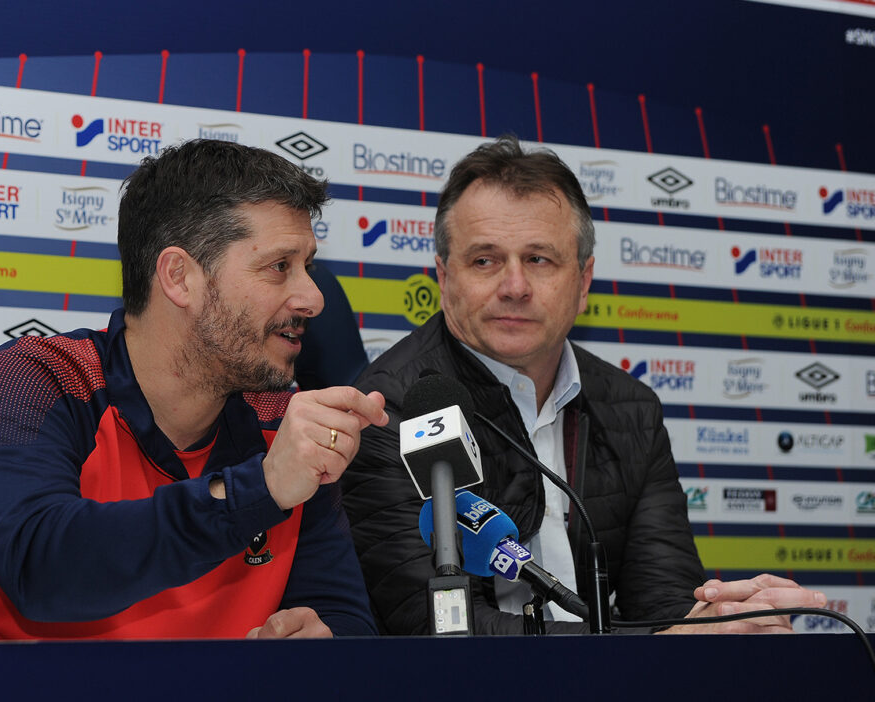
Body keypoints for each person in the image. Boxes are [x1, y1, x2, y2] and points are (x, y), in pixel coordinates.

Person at [0, 139, 387, 641]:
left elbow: (342, 616)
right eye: (280, 266)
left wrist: (325, 642)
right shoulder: (29, 385)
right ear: (179, 277)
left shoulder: (284, 422)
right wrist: (261, 490)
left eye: (309, 266)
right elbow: (42, 567)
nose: (314, 298)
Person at [341, 136, 825, 635]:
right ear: (444, 276)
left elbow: (662, 597)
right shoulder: (390, 410)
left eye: (539, 259)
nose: (514, 286)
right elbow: (435, 626)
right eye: (484, 260)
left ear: (584, 279)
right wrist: (661, 641)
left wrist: (717, 622)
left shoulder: (631, 408)